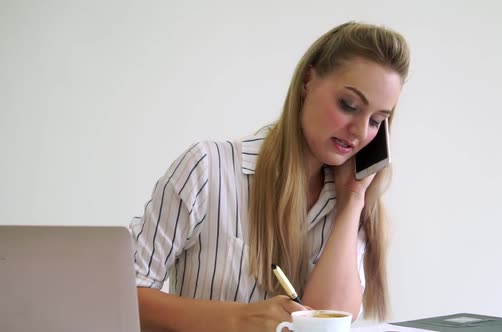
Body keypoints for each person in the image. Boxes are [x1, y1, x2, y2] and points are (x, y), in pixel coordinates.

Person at [130, 21, 410, 332]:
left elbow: (326, 319)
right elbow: (123, 296)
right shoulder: (208, 169)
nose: (359, 131)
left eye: (376, 121)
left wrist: (353, 199)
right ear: (307, 81)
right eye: (349, 105)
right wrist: (241, 319)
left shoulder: (351, 202)